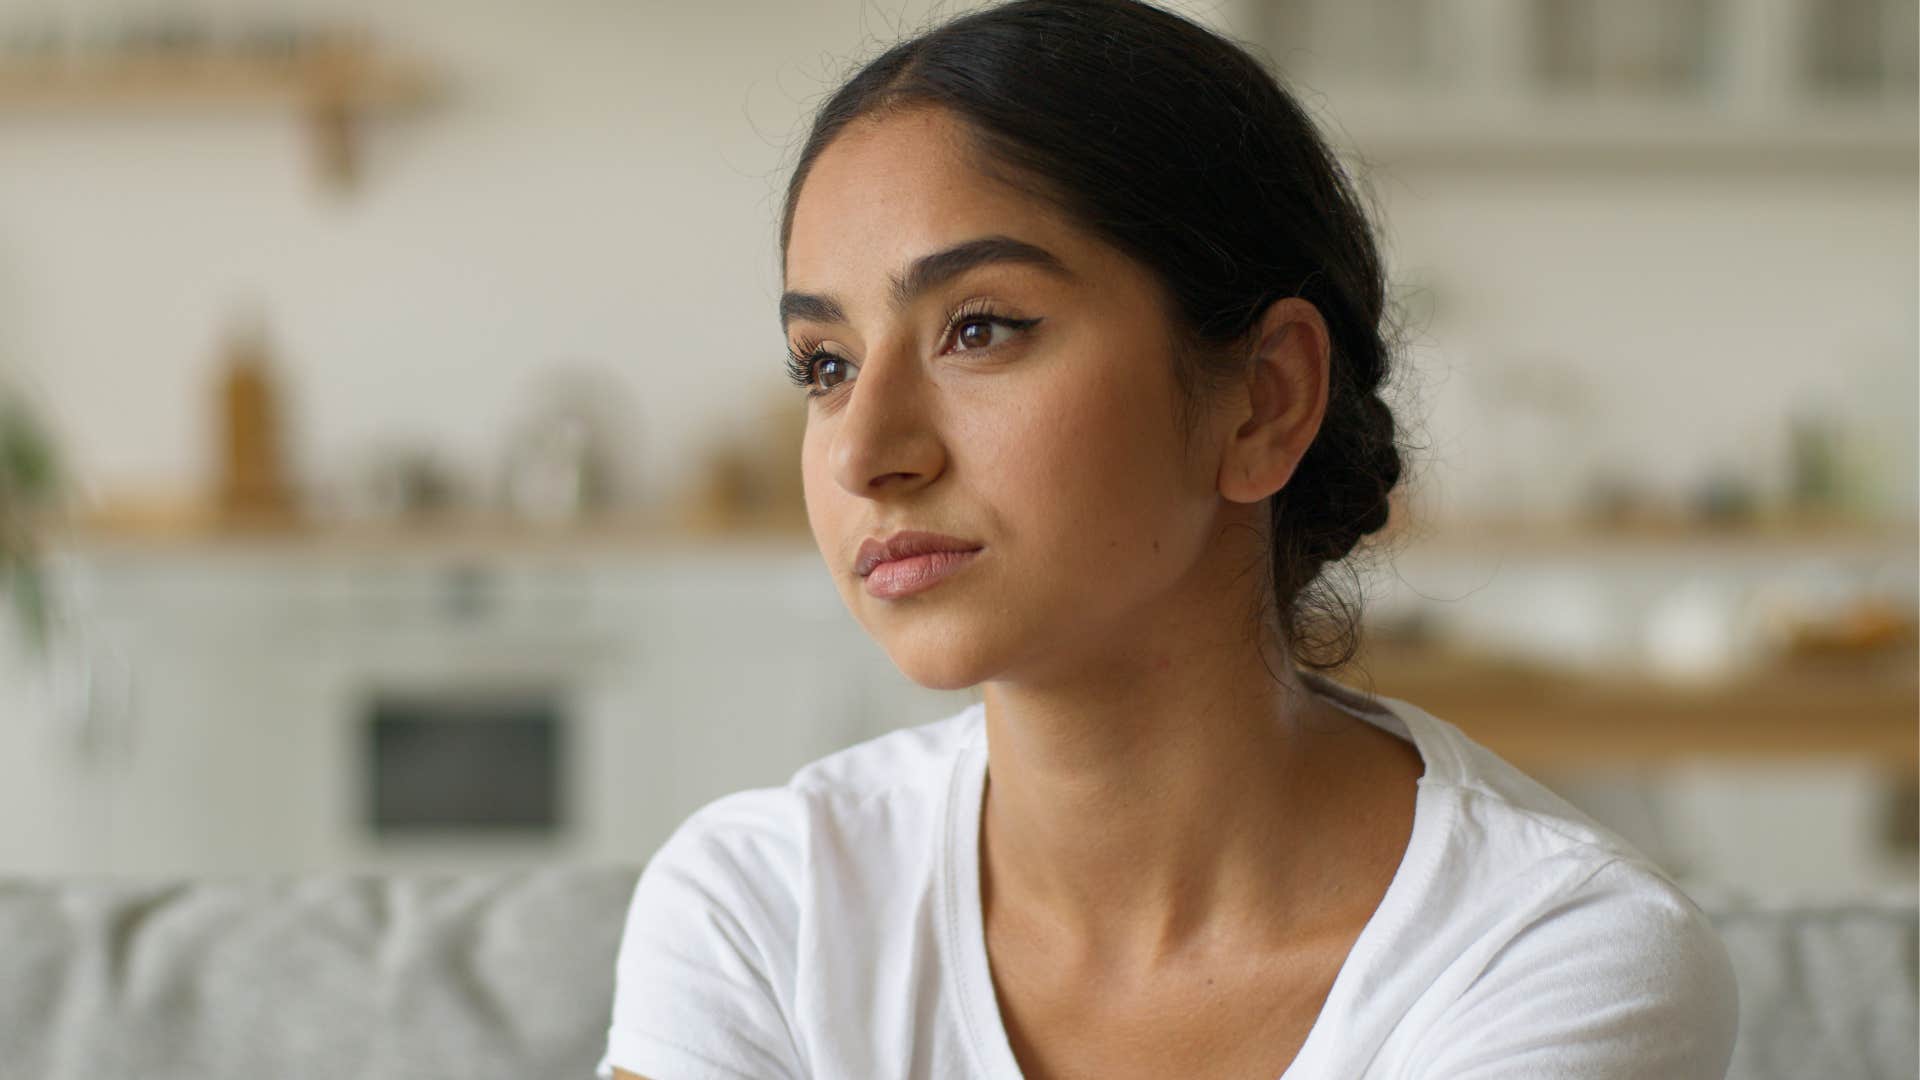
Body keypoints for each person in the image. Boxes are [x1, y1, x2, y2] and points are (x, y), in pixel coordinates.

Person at [598, 1, 1739, 1076]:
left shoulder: (1548, 954)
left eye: (979, 329)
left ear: (1264, 401)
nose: (863, 453)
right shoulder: (758, 907)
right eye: (826, 366)